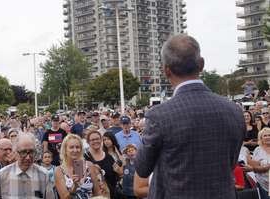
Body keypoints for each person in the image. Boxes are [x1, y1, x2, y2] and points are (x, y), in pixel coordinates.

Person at [135, 34, 245, 199]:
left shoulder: (159, 115)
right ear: (201, 64)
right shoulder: (233, 110)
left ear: (166, 70)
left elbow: (142, 168)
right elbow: (230, 162)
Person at [0, 134, 54, 198]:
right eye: (23, 152)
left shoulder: (44, 175)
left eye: (31, 152)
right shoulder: (2, 175)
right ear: (15, 152)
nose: (28, 157)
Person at [55, 134, 103, 199]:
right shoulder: (59, 170)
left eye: (77, 147)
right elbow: (64, 197)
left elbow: (97, 193)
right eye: (71, 147)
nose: (75, 150)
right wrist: (74, 187)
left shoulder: (89, 165)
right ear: (65, 150)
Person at [84, 130, 122, 199]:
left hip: (112, 194)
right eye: (92, 140)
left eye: (97, 139)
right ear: (88, 142)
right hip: (96, 196)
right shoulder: (85, 158)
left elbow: (117, 175)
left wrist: (119, 172)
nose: (95, 141)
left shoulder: (109, 156)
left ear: (101, 140)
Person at [248, 128, 270, 198]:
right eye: (265, 136)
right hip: (263, 184)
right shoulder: (258, 150)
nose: (268, 137)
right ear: (261, 138)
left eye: (269, 135)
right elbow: (254, 167)